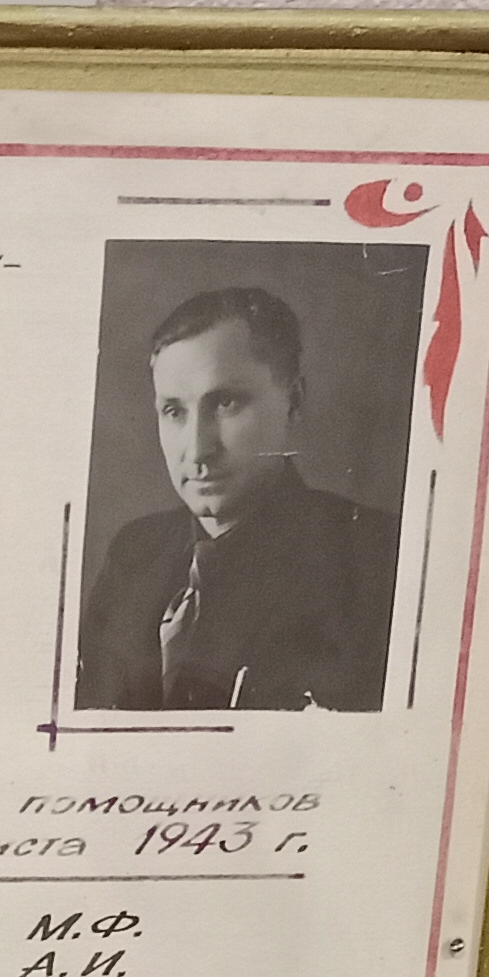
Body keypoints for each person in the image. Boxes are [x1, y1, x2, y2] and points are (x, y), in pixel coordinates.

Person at [76, 286, 399, 709]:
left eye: (225, 403)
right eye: (174, 411)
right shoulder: (134, 554)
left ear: (293, 402)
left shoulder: (371, 558)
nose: (197, 450)